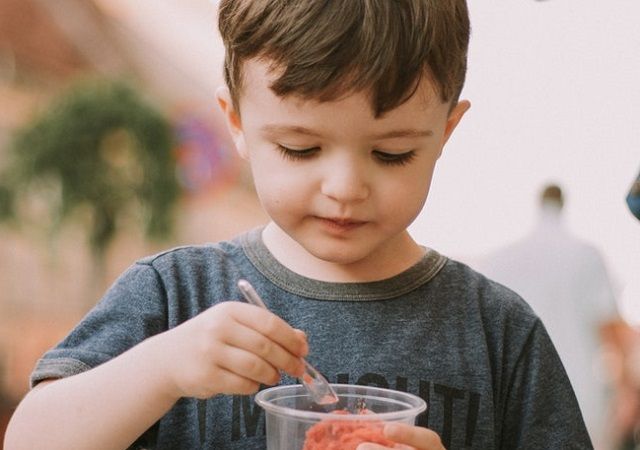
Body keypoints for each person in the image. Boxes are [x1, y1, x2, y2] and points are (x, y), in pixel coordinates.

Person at [5, 1, 592, 449]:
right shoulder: (174, 296)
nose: (344, 188)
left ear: (445, 133)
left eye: (391, 154)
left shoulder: (497, 332)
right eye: (299, 148)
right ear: (235, 121)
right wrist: (160, 369)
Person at [474, 184, 619, 449]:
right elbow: (610, 331)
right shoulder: (586, 255)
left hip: (513, 394)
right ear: (563, 204)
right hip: (580, 391)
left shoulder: (500, 259)